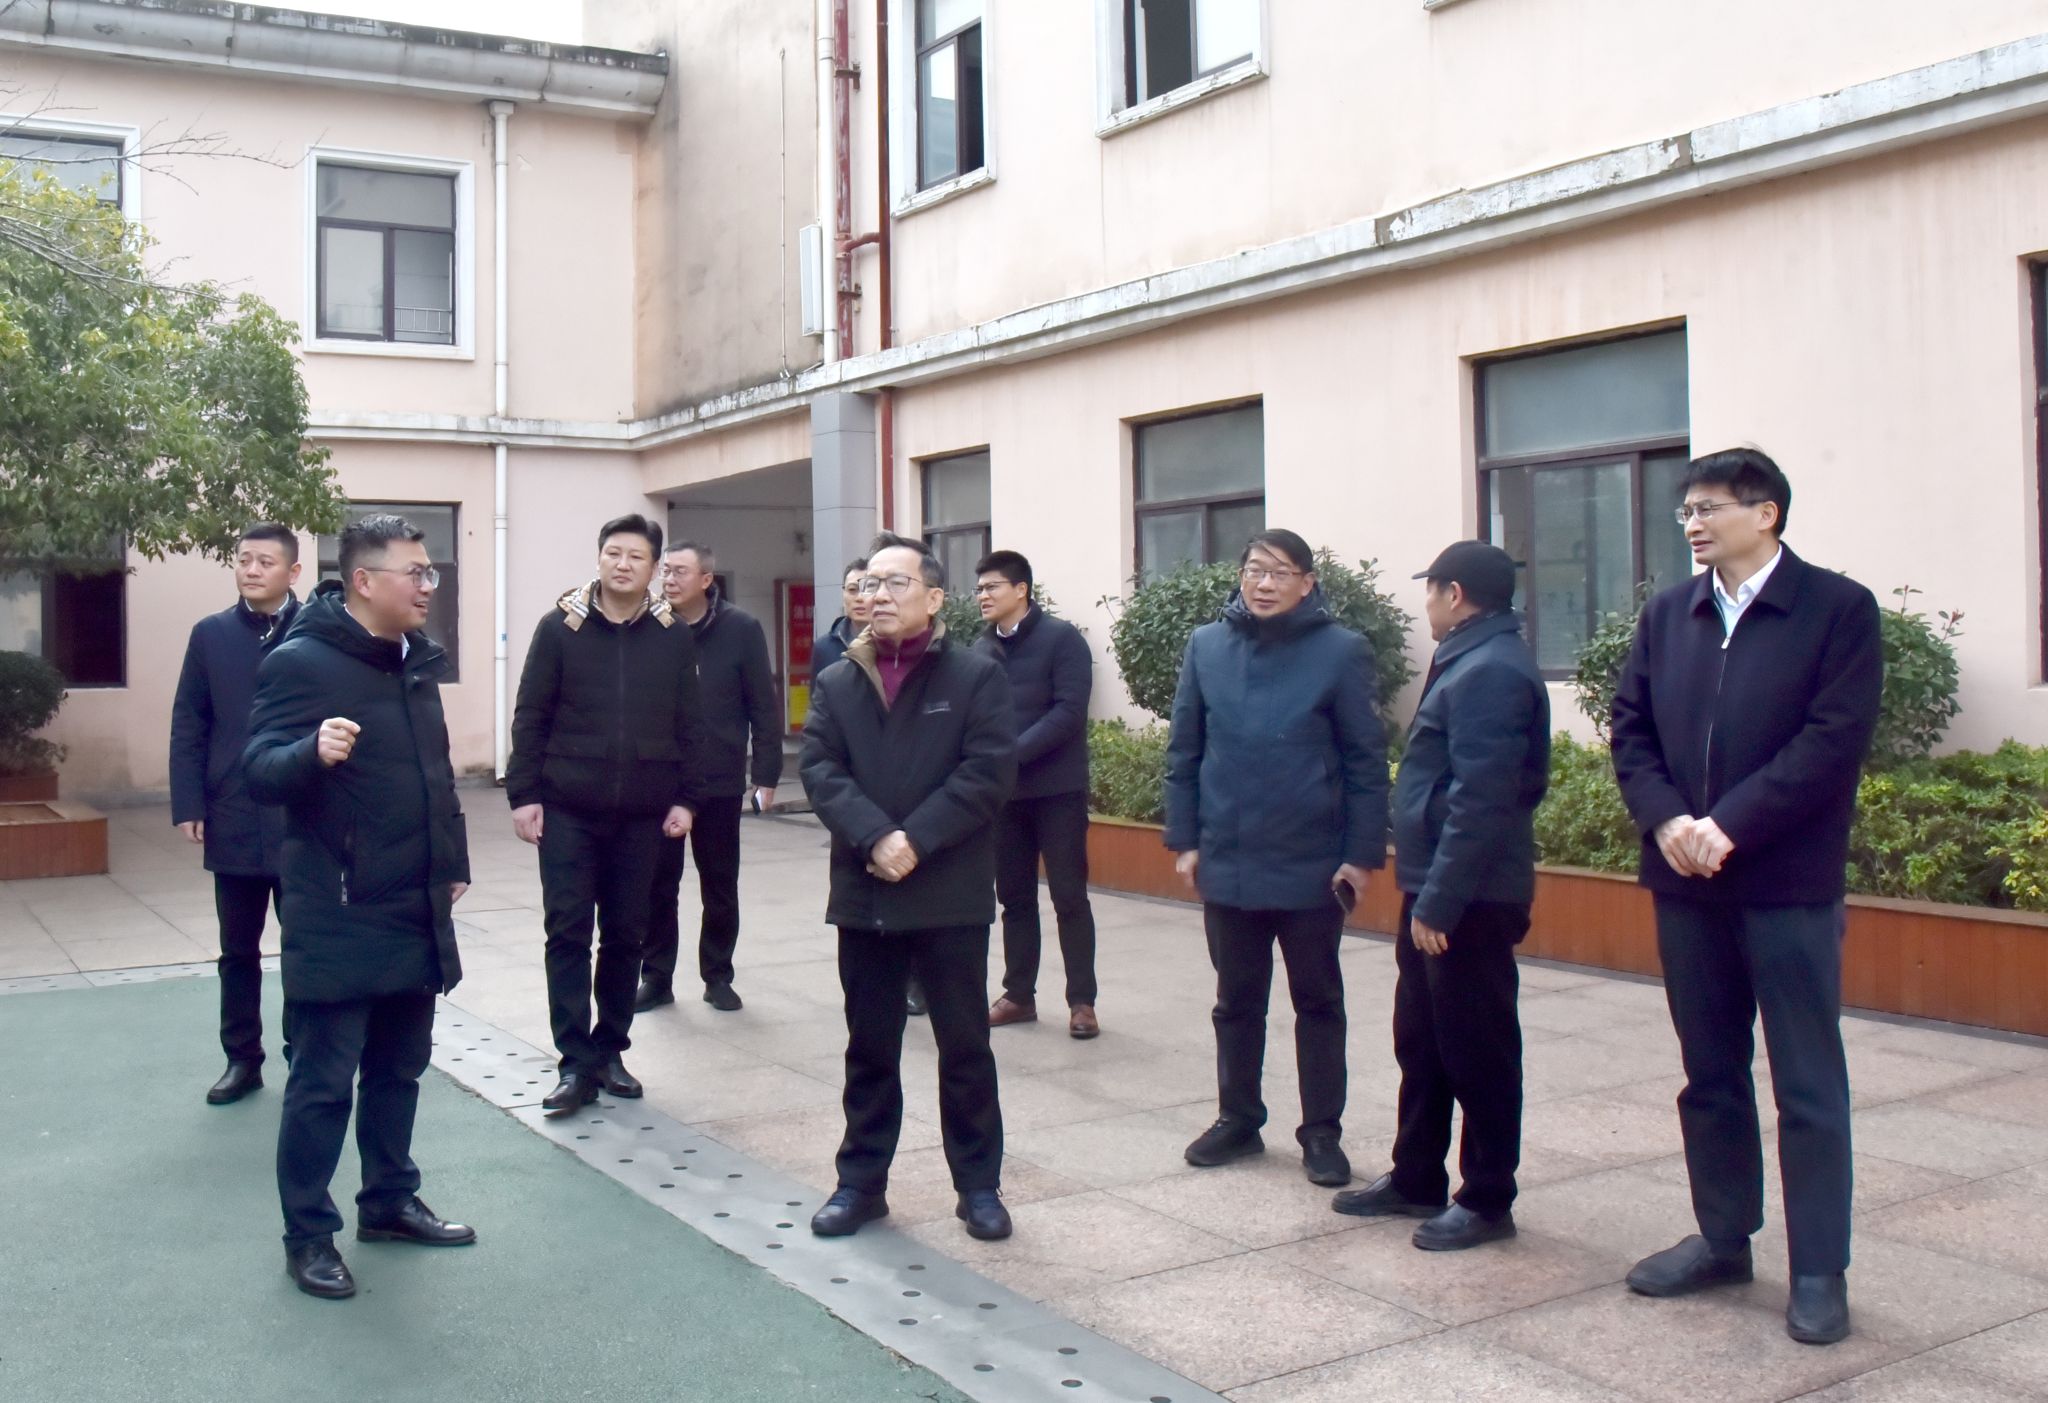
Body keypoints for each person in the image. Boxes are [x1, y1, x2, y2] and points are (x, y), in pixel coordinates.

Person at [1610, 448, 1882, 1346]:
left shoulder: (1836, 609)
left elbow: (1832, 739)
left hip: (1785, 884)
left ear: (1765, 513)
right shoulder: (1668, 614)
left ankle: (1819, 1270)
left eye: (1710, 507)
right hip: (1686, 881)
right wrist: (1666, 820)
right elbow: (1631, 729)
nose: (1692, 523)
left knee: (1807, 1081)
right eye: (1687, 509)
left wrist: (1730, 823)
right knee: (1710, 1072)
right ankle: (1723, 1238)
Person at [245, 514, 474, 1301]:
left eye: (430, 571)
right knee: (322, 1081)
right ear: (365, 581)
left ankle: (388, 1201)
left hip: (414, 899)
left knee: (399, 1067)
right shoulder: (300, 662)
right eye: (416, 572)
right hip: (338, 905)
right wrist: (310, 751)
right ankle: (308, 1234)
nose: (428, 585)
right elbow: (257, 770)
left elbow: (436, 774)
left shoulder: (413, 660)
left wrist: (452, 860)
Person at [798, 532, 1016, 1242]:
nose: (879, 596)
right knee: (869, 1047)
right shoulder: (838, 679)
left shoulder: (976, 676)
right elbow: (821, 769)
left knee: (965, 1047)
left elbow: (986, 773)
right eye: (870, 584)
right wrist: (875, 837)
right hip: (865, 892)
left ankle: (978, 1186)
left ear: (934, 597)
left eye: (896, 583)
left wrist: (914, 839)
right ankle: (860, 1184)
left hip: (948, 890)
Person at [1331, 541, 1549, 1251]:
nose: (1425, 602)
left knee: (1477, 1046)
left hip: (1469, 897)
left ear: (1454, 594)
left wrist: (1440, 901)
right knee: (1422, 1038)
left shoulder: (1492, 670)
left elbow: (1482, 800)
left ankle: (1487, 1196)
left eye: (1430, 590)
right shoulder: (1468, 656)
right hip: (1438, 884)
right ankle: (1417, 1173)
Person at [1164, 528, 1388, 1188]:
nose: (1264, 583)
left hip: (1311, 862)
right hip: (1228, 857)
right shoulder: (1207, 646)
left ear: (1307, 583)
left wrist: (1361, 856)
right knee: (1235, 1000)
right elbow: (1184, 751)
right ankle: (1238, 1119)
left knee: (1317, 1000)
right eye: (1255, 570)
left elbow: (1366, 761)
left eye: (1281, 572)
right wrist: (1186, 840)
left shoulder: (1340, 651)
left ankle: (1321, 1131)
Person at [508, 515, 706, 1117]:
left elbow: (692, 724)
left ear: (653, 568)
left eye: (636, 557)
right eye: (614, 553)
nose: (623, 564)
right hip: (567, 808)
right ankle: (574, 1062)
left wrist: (687, 798)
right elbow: (530, 714)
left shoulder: (672, 635)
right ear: (598, 558)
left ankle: (610, 1050)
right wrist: (524, 794)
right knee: (567, 932)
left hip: (644, 813)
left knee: (625, 934)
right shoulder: (560, 628)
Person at [169, 523, 304, 1105]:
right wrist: (189, 802)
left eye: (265, 562)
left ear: (293, 572)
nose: (251, 570)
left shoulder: (318, 631)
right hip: (234, 811)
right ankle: (242, 1059)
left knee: (304, 946)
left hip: (304, 816)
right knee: (238, 949)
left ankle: (305, 1055)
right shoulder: (211, 634)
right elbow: (189, 721)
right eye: (244, 559)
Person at [636, 541, 782, 1014]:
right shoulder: (650, 624)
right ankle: (656, 977)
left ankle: (717, 975)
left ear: (706, 580)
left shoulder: (741, 629)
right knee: (658, 885)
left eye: (680, 571)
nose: (669, 579)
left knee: (719, 884)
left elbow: (763, 705)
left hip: (718, 779)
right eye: (665, 571)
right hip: (661, 779)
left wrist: (766, 774)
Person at [973, 550, 1101, 1039]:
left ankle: (1082, 1001)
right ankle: (1019, 995)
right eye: (979, 589)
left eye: (992, 587)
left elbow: (1068, 712)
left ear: (1021, 589)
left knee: (1070, 897)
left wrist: (1011, 754)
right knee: (1014, 898)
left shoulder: (1062, 639)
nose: (982, 596)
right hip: (1005, 796)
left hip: (1058, 791)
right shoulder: (981, 649)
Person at [810, 557, 869, 679]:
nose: (859, 598)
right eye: (852, 589)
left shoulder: (892, 643)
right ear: (843, 594)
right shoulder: (823, 647)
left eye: (867, 589)